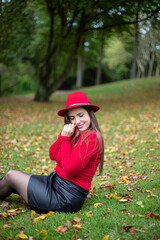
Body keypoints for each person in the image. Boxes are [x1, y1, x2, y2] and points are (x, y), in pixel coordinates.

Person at [0, 91, 104, 214]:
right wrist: (64, 136)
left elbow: (70, 170)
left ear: (90, 114)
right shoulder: (75, 132)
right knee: (11, 180)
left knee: (12, 176)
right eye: (72, 118)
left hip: (65, 196)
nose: (77, 121)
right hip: (55, 182)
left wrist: (65, 140)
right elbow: (53, 154)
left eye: (81, 115)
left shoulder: (91, 136)